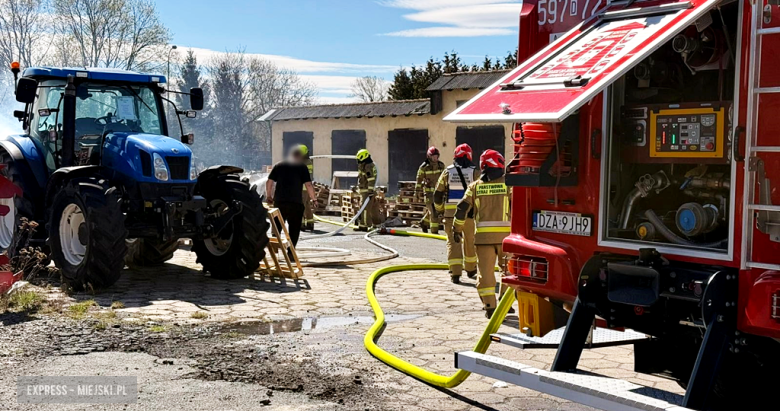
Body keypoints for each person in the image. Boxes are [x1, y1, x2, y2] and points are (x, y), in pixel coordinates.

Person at [453, 149, 512, 319]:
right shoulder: (508, 184)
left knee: (485, 274)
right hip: (506, 239)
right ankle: (505, 304)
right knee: (508, 273)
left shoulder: (475, 187)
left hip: (483, 240)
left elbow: (462, 208)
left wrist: (456, 229)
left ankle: (490, 307)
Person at [434, 144, 479, 284]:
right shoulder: (475, 172)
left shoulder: (447, 172)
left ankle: (455, 273)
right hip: (469, 214)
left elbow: (437, 194)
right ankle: (471, 269)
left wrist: (440, 209)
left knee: (453, 242)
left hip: (450, 215)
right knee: (470, 241)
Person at [266, 144, 317, 247]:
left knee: (276, 227)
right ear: (300, 157)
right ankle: (290, 253)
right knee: (294, 229)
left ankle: (275, 252)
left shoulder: (278, 165)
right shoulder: (302, 167)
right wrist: (314, 199)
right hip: (296, 203)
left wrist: (269, 196)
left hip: (280, 202)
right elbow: (308, 185)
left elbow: (269, 181)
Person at [415, 146, 445, 234]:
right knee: (434, 212)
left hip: (439, 193)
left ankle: (424, 223)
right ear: (429, 156)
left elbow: (445, 179)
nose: (435, 158)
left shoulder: (441, 166)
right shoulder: (423, 167)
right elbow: (419, 180)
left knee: (436, 211)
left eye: (436, 156)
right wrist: (416, 192)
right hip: (428, 194)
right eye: (433, 156)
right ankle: (434, 231)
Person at [356, 149, 382, 231]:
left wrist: (370, 191)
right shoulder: (365, 165)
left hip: (367, 191)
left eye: (359, 158)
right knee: (373, 208)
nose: (358, 160)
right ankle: (377, 224)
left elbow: (371, 179)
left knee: (365, 208)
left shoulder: (367, 166)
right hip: (367, 190)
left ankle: (364, 225)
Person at [300, 145, 315, 232]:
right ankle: (310, 223)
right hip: (307, 187)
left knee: (301, 205)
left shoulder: (303, 163)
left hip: (302, 187)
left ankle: (301, 224)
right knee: (307, 205)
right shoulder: (308, 161)